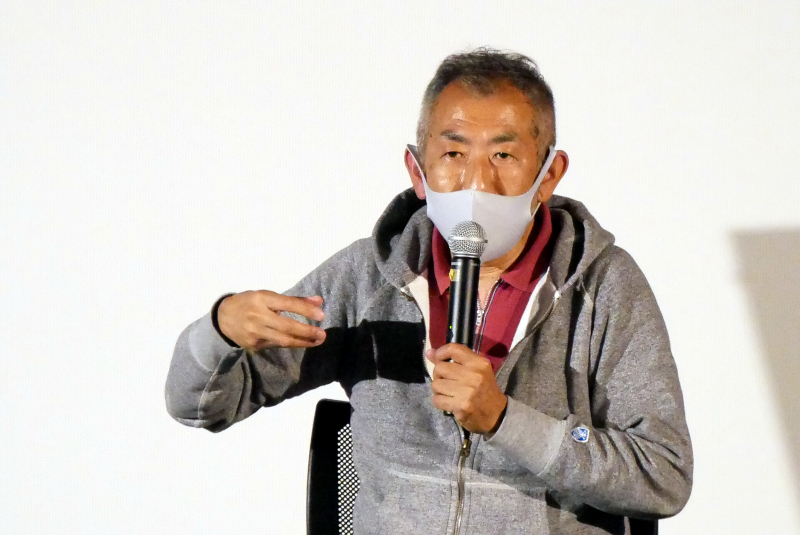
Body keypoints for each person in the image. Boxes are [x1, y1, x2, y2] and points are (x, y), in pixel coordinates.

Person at [165, 48, 692, 534]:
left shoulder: (602, 286)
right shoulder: (367, 278)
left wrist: (505, 420)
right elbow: (198, 407)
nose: (476, 182)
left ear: (548, 173)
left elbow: (663, 476)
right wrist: (220, 330)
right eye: (453, 153)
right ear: (418, 171)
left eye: (504, 156)